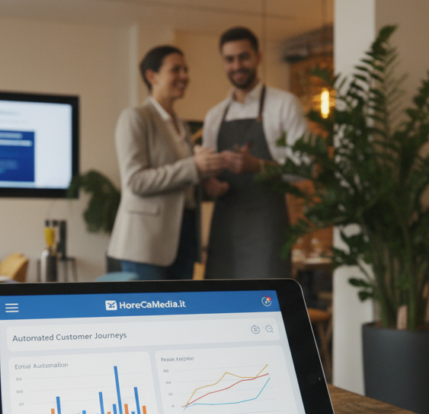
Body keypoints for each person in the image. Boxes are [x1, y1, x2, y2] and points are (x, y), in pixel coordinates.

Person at [201, 27, 309, 279]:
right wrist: (210, 184)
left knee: (267, 302)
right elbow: (207, 173)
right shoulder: (215, 116)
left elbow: (305, 167)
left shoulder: (284, 104)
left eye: (244, 57)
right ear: (223, 63)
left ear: (258, 57)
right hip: (224, 229)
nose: (237, 65)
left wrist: (258, 166)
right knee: (221, 306)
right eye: (229, 59)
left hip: (267, 229)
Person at [108, 46, 223, 280]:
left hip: (185, 237)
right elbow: (135, 181)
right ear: (152, 77)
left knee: (180, 314)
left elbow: (182, 178)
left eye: (186, 70)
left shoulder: (181, 125)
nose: (184, 76)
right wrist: (194, 166)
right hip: (146, 245)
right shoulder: (136, 117)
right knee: (151, 316)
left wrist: (206, 179)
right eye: (176, 70)